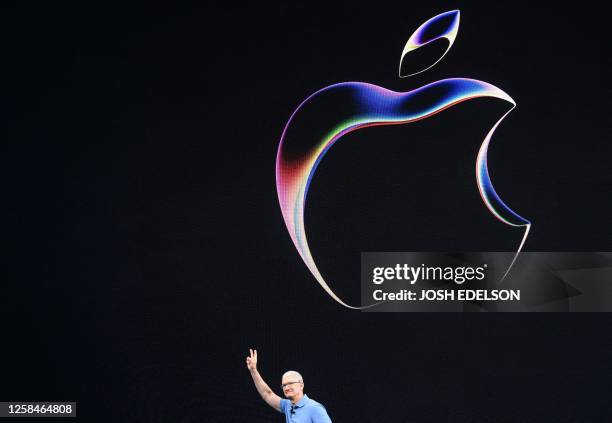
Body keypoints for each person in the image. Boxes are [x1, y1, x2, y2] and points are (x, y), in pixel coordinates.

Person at [246, 348, 332, 422]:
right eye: (284, 385)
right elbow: (267, 394)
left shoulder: (315, 408)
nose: (286, 388)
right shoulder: (287, 405)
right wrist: (253, 370)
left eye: (290, 383)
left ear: (301, 385)